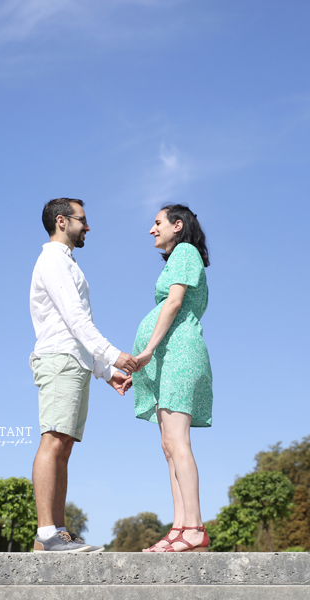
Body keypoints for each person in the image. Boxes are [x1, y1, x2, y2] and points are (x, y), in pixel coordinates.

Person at [29, 197, 137, 553]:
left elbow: (78, 326)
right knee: (54, 440)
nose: (87, 227)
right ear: (62, 221)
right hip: (59, 359)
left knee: (65, 446)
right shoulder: (53, 261)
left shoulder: (68, 263)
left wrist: (105, 371)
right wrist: (113, 356)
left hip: (74, 361)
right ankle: (47, 532)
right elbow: (75, 319)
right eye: (82, 220)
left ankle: (56, 531)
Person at [132, 204, 213, 552]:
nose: (152, 229)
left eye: (157, 223)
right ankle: (179, 528)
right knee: (169, 447)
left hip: (179, 354)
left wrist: (148, 350)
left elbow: (174, 302)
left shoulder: (184, 250)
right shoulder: (178, 255)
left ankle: (194, 528)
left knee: (177, 443)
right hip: (168, 358)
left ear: (177, 226)